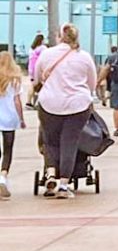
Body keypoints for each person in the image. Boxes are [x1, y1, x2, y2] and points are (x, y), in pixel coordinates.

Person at [34, 25, 97, 198]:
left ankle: (51, 173)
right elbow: (92, 82)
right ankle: (63, 184)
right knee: (70, 142)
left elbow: (37, 77)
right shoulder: (84, 57)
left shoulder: (46, 54)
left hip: (49, 104)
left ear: (60, 37)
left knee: (50, 141)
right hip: (77, 105)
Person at [0, 50, 27, 197]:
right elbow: (17, 101)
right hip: (10, 117)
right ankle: (3, 177)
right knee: (8, 150)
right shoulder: (15, 79)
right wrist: (21, 119)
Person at [26, 33, 46, 109]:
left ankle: (28, 102)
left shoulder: (32, 48)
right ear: (41, 40)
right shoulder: (42, 48)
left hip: (31, 69)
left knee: (32, 85)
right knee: (43, 84)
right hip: (39, 69)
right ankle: (38, 103)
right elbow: (45, 57)